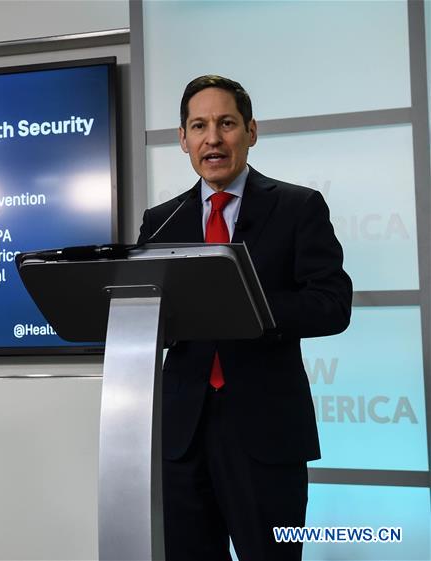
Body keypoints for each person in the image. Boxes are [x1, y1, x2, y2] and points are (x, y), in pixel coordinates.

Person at [137, 75, 352, 560]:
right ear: (183, 140)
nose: (213, 137)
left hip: (266, 434)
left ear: (251, 131)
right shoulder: (162, 221)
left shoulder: (298, 207)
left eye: (226, 123)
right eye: (199, 126)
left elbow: (333, 304)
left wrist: (246, 304)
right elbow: (154, 317)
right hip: (182, 439)